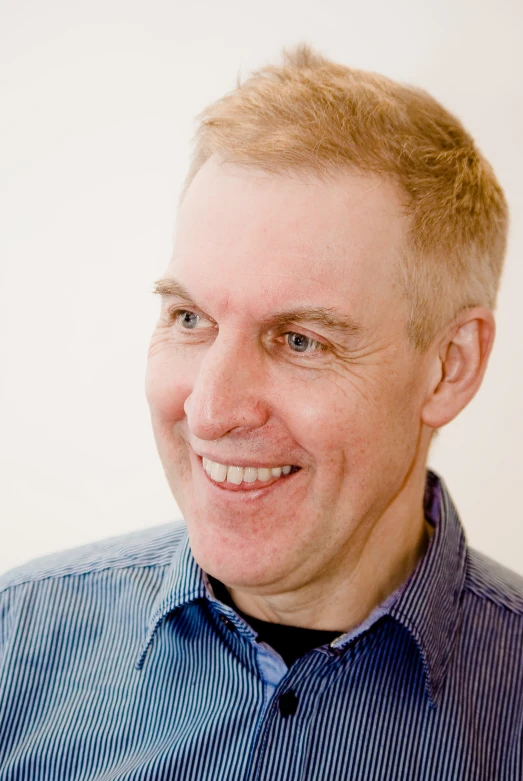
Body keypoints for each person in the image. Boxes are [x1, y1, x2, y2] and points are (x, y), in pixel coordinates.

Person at [0, 44, 521, 781]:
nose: (210, 410)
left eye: (299, 339)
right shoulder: (13, 644)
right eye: (188, 318)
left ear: (449, 366)